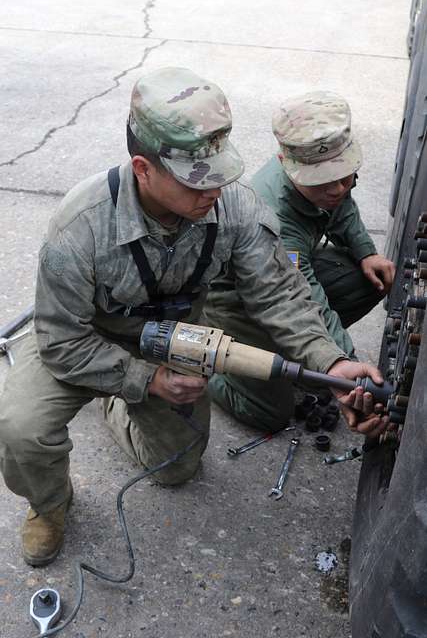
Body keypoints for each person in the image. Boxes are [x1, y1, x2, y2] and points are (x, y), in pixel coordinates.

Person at [0, 68, 387, 568]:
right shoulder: (80, 227)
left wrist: (331, 363)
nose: (215, 192)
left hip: (171, 339)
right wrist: (145, 379)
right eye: (197, 181)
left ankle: (111, 404)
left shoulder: (233, 208)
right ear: (143, 168)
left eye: (221, 173)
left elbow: (280, 293)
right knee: (20, 428)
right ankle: (50, 504)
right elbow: (59, 340)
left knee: (176, 469)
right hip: (82, 339)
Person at [205, 91, 394, 426]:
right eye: (322, 181)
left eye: (345, 175)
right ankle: (206, 366)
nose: (337, 188)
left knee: (370, 279)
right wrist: (346, 372)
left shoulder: (329, 184)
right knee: (270, 414)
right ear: (285, 164)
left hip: (290, 278)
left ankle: (302, 357)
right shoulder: (274, 218)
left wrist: (366, 252)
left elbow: (342, 209)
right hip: (238, 304)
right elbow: (304, 296)